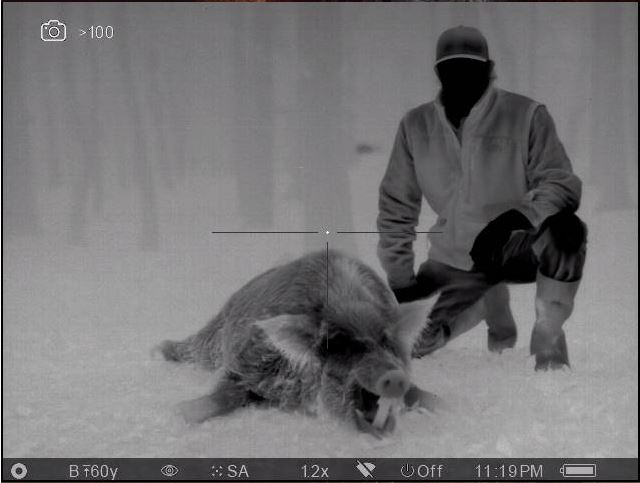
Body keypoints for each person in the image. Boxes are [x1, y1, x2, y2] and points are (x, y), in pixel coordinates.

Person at [376, 26, 587, 371]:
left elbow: (561, 183)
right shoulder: (415, 126)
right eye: (451, 69)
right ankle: (487, 302)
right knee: (407, 343)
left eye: (471, 69)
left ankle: (548, 337)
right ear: (438, 73)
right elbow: (396, 207)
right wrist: (402, 283)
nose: (461, 78)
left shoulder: (527, 114)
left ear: (489, 69)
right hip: (455, 259)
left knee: (567, 230)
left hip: (521, 246)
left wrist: (515, 219)